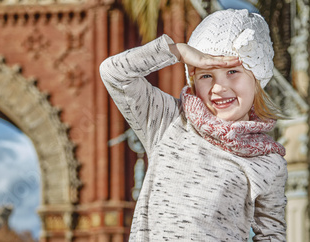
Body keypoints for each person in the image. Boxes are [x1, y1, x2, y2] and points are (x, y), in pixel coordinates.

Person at [99, 9, 287, 241]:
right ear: (193, 79)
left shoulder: (268, 162)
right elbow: (114, 73)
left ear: (257, 79)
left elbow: (271, 235)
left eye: (232, 71)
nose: (219, 87)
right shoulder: (167, 121)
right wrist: (177, 52)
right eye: (206, 75)